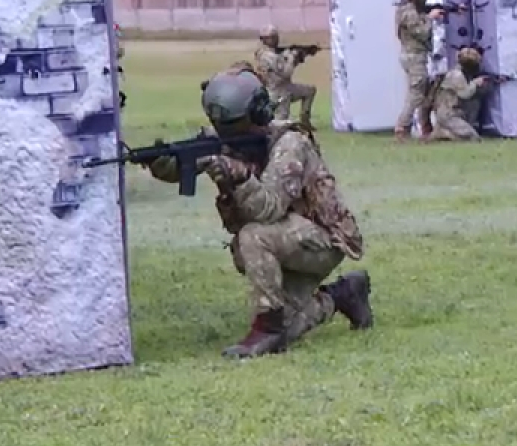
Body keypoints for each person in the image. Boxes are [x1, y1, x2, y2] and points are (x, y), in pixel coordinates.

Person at [146, 65, 373, 358]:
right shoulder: (224, 140)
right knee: (289, 327)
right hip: (289, 238)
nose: (230, 133)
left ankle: (267, 325)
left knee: (253, 236)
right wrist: (164, 163)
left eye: (236, 125)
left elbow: (269, 208)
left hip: (323, 239)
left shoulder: (290, 144)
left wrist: (239, 175)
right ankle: (342, 295)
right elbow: (183, 168)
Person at [395, 0, 446, 141]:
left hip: (414, 56)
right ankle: (402, 127)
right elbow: (422, 32)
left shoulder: (411, 10)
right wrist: (430, 18)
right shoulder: (409, 13)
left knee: (423, 93)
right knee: (416, 94)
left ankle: (425, 127)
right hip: (414, 57)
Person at [428, 47, 500, 141]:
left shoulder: (462, 74)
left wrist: (491, 82)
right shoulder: (456, 75)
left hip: (456, 112)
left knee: (475, 100)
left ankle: (445, 131)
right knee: (472, 136)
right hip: (449, 115)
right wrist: (475, 83)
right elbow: (465, 94)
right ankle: (444, 133)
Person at [252, 25, 318, 126]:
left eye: (275, 37)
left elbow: (283, 66)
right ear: (264, 40)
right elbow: (285, 73)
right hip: (277, 92)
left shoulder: (272, 53)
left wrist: (298, 58)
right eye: (271, 38)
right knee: (281, 122)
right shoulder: (268, 55)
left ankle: (305, 120)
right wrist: (291, 57)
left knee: (310, 90)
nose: (275, 40)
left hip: (286, 87)